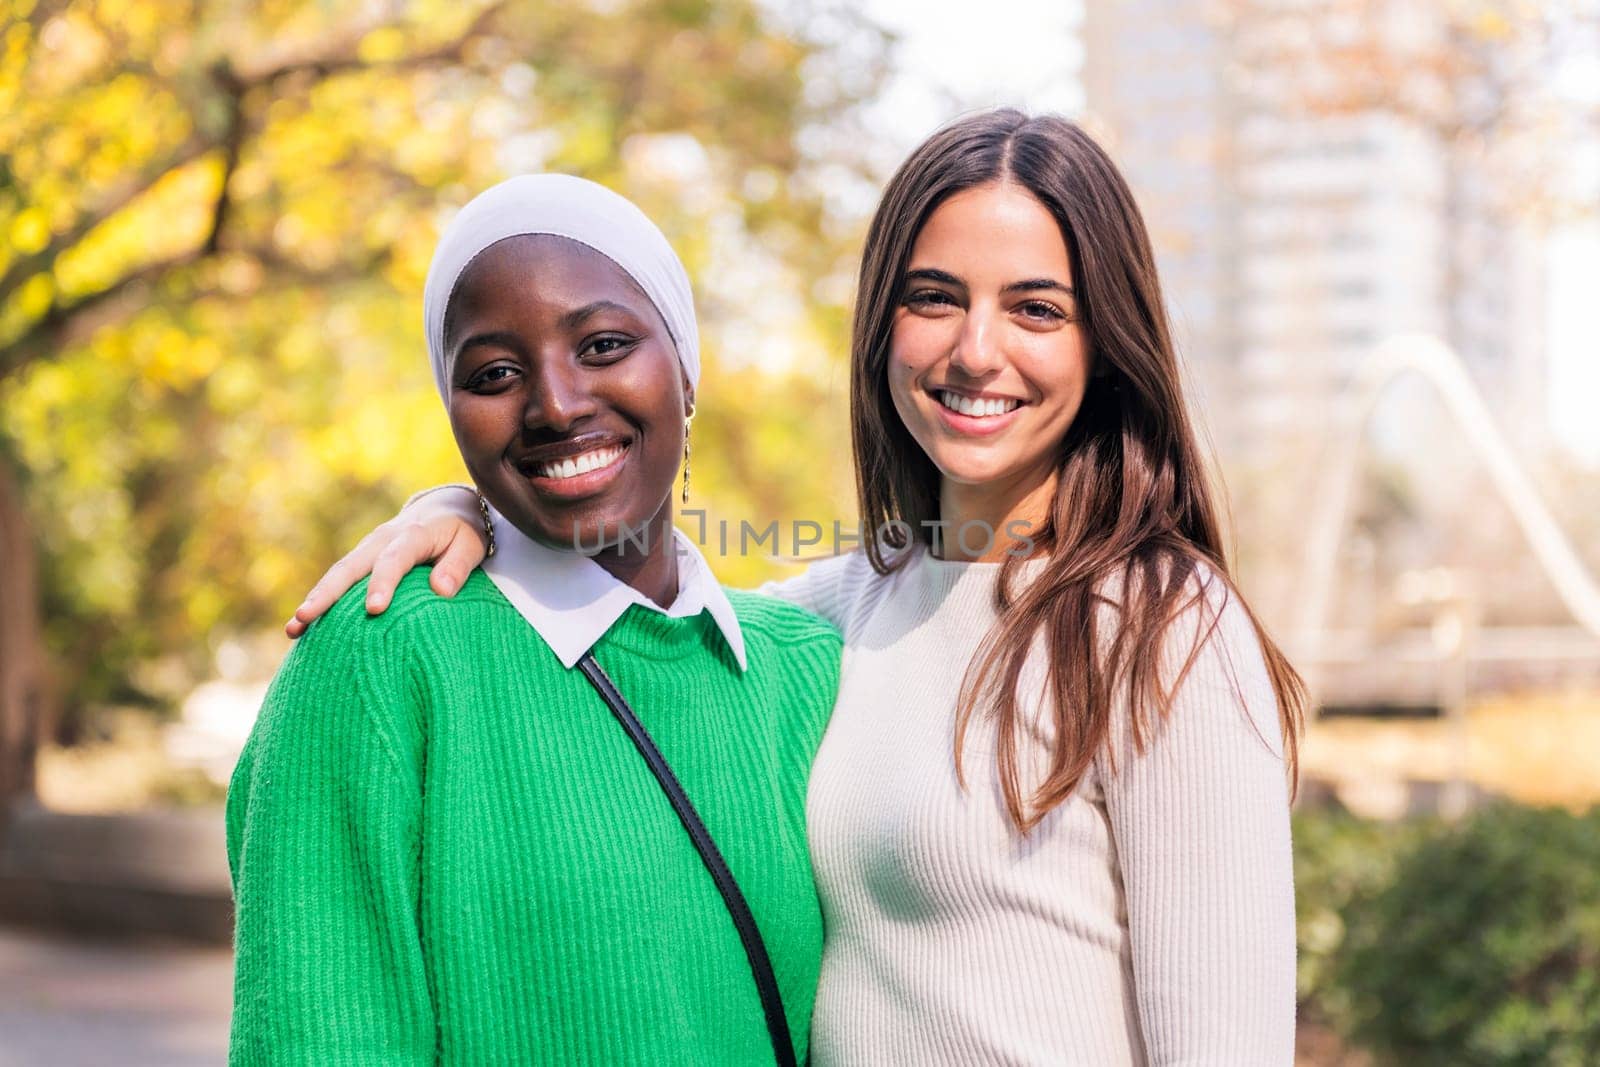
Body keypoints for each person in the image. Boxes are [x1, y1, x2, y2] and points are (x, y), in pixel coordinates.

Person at [289, 110, 1306, 1065]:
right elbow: (640, 604)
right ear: (881, 325)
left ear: (1105, 343)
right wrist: (455, 507)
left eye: (1035, 308)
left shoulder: (1162, 630)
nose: (975, 350)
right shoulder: (828, 620)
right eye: (934, 296)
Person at [227, 174, 842, 1065]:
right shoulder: (379, 660)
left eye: (602, 344)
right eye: (495, 373)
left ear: (686, 369)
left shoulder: (806, 667)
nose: (555, 403)